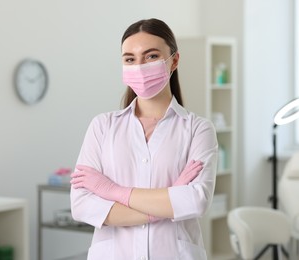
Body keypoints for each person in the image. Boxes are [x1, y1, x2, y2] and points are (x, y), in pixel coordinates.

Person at [70, 18, 218, 260]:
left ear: (174, 61)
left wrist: (112, 191)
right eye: (130, 59)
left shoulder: (198, 129)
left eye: (150, 56)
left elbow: (195, 200)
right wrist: (169, 199)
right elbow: (82, 205)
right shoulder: (102, 126)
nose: (139, 67)